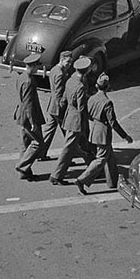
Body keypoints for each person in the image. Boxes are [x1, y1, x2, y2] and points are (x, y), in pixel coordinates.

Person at [76, 73, 132, 194]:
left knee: (110, 157)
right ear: (108, 86)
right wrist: (125, 136)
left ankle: (113, 182)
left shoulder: (92, 98)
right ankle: (82, 180)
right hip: (103, 133)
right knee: (101, 158)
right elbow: (113, 122)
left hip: (95, 130)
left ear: (97, 86)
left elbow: (88, 114)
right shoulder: (107, 102)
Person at [50, 57, 92, 185]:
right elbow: (81, 107)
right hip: (77, 121)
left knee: (84, 145)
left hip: (69, 116)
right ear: (86, 70)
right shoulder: (79, 85)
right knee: (69, 148)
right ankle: (57, 175)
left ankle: (93, 167)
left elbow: (63, 99)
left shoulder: (70, 80)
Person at [14, 54, 45, 179]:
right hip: (28, 116)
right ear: (32, 66)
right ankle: (22, 166)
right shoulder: (29, 81)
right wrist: (33, 122)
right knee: (38, 143)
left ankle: (25, 172)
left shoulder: (21, 78)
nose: (38, 68)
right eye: (37, 65)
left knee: (25, 144)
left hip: (20, 115)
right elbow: (29, 104)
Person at [39, 52, 73, 158]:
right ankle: (67, 157)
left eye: (70, 62)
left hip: (52, 106)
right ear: (62, 60)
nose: (69, 64)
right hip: (58, 108)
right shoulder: (60, 73)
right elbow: (59, 92)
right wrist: (62, 107)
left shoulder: (54, 70)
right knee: (68, 133)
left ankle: (41, 153)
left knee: (49, 131)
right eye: (67, 62)